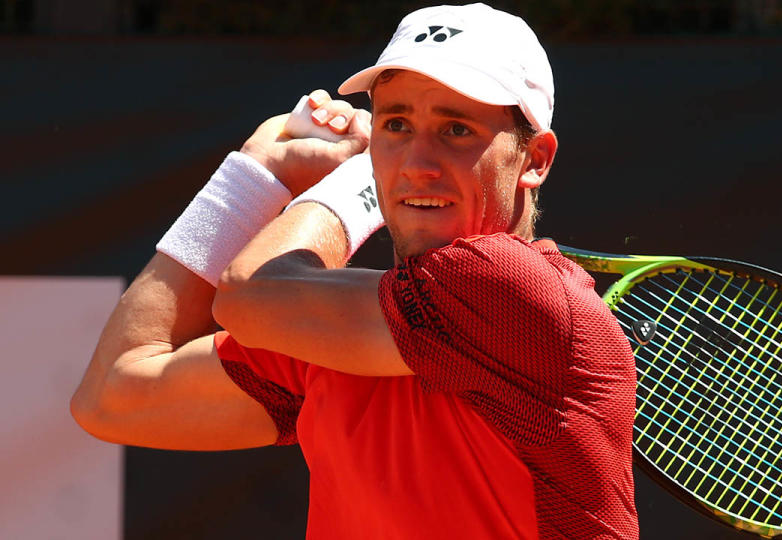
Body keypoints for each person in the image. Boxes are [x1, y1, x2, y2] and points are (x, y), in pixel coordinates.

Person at [71, 4, 637, 538]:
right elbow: (114, 394)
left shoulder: (514, 287)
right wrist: (248, 179)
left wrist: (339, 180)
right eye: (395, 125)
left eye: (456, 129)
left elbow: (246, 293)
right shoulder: (340, 332)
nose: (416, 164)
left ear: (534, 159)